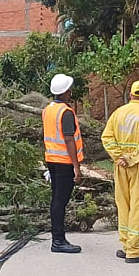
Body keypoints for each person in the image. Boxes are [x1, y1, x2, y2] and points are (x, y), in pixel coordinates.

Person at [101, 80, 139, 263]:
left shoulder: (118, 113)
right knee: (138, 206)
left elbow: (107, 137)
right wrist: (132, 158)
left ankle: (126, 245)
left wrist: (119, 157)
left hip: (120, 166)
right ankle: (133, 251)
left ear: (131, 95)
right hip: (138, 167)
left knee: (123, 204)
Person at [42, 73, 83, 254]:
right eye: (69, 89)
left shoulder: (48, 110)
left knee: (56, 200)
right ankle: (58, 240)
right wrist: (76, 167)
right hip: (64, 162)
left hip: (52, 160)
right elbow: (68, 140)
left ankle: (58, 238)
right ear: (65, 92)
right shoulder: (65, 113)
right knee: (60, 201)